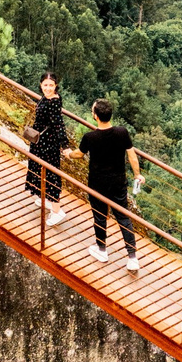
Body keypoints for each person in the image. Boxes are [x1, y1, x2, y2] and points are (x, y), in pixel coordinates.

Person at [81, 98, 141, 273]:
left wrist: (69, 154)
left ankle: (102, 250)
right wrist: (137, 174)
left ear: (96, 116)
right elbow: (132, 156)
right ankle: (132, 257)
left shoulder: (90, 137)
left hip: (97, 183)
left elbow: (79, 154)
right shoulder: (122, 132)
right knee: (123, 217)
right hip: (118, 182)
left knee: (100, 216)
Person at [22, 73, 68, 222]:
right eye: (45, 85)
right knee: (40, 170)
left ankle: (57, 210)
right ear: (41, 85)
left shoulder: (53, 102)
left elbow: (59, 124)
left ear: (56, 86)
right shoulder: (46, 98)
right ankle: (47, 199)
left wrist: (65, 145)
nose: (48, 88)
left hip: (48, 145)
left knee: (50, 174)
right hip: (40, 142)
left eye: (51, 85)